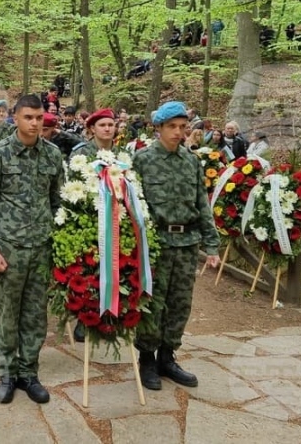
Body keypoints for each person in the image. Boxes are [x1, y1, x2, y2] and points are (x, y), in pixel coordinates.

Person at [0, 94, 64, 405]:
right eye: (28, 117)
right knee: (8, 314)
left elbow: (57, 202)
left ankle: (29, 372)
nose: (35, 123)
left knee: (35, 315)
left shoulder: (53, 155)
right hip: (8, 248)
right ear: (15, 118)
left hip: (41, 247)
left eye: (39, 118)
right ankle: (7, 373)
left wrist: (59, 248)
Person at [132, 100, 221, 391]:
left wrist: (212, 245)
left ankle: (167, 358)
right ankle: (147, 358)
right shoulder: (143, 160)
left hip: (186, 243)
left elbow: (202, 205)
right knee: (153, 303)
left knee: (180, 304)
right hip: (156, 244)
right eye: (172, 126)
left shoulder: (191, 161)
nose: (178, 132)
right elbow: (133, 206)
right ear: (159, 128)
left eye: (183, 127)